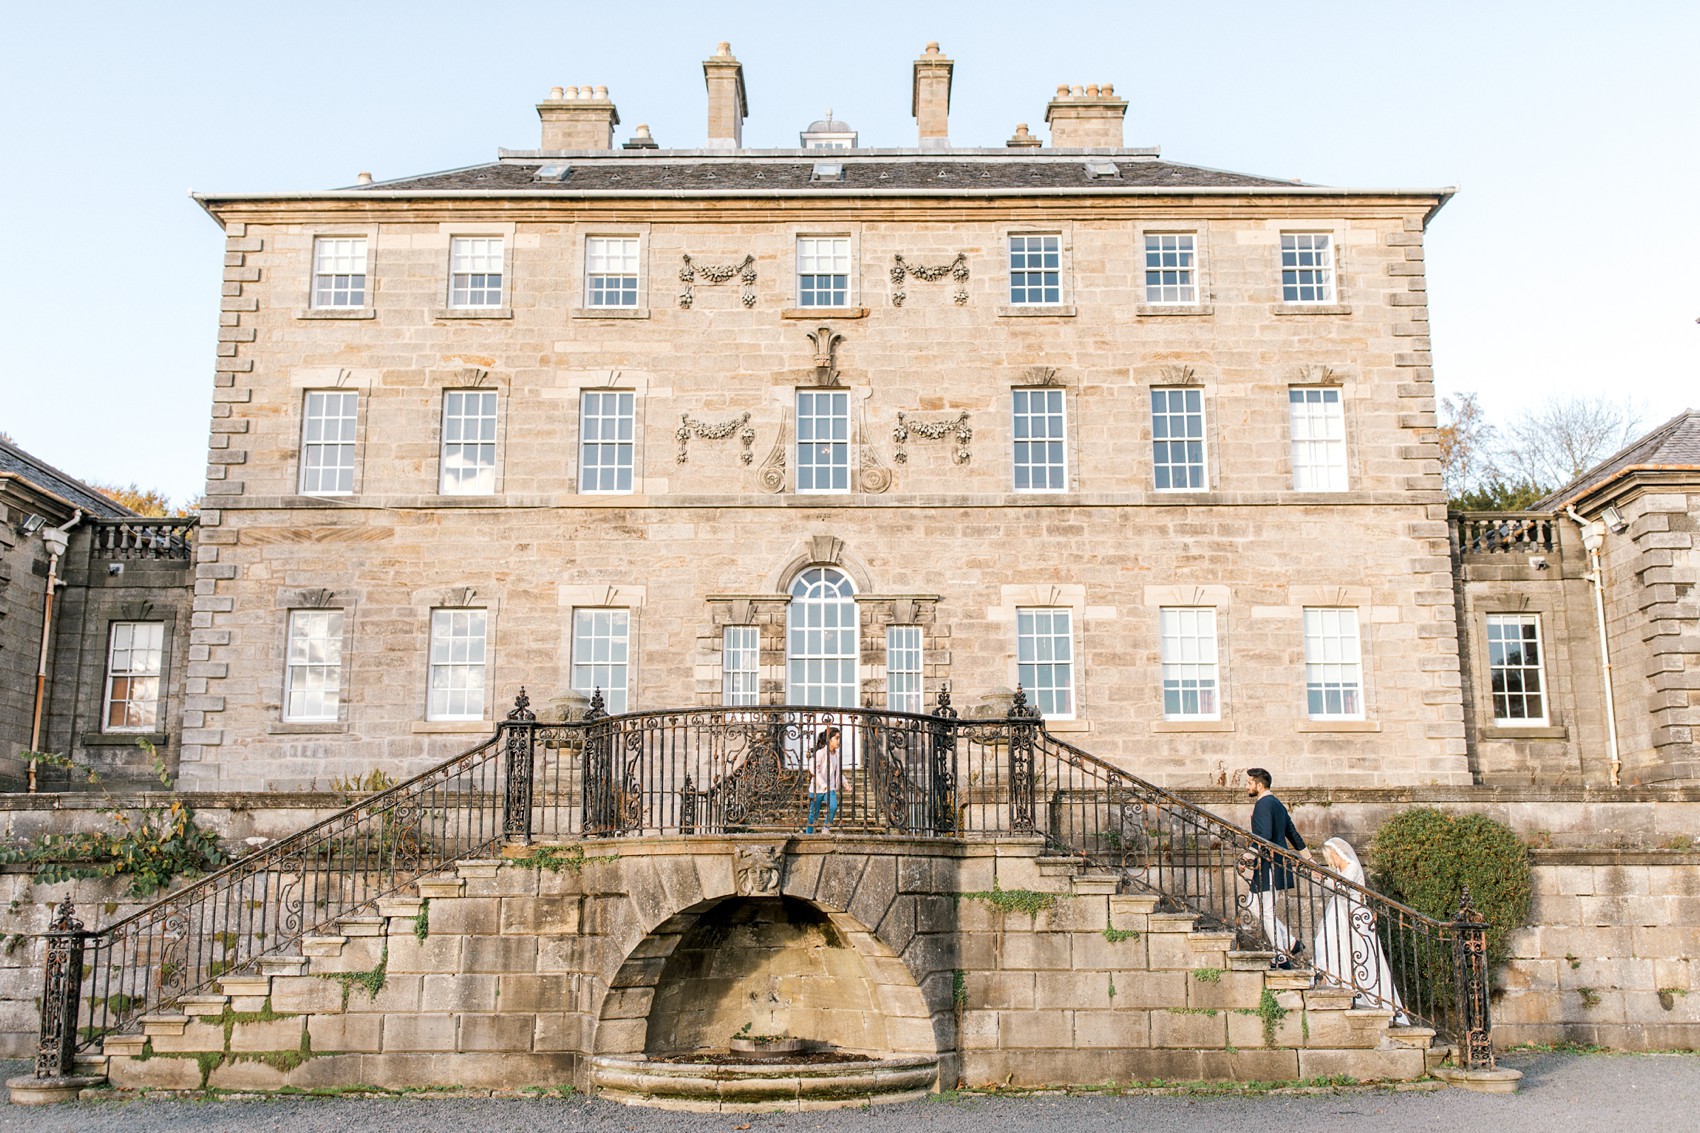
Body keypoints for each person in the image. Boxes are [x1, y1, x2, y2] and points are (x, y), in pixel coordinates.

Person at [1313, 837, 1409, 1023]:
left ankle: (1362, 991)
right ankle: (1336, 981)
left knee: (1354, 950)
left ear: (1335, 853)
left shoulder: (1352, 867)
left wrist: (1323, 878)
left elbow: (1343, 888)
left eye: (1329, 856)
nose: (1328, 860)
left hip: (1352, 914)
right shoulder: (1339, 869)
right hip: (1338, 912)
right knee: (1328, 944)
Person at [1242, 767, 1310, 967]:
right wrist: (1308, 856)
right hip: (1274, 865)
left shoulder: (1264, 803)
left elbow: (1263, 835)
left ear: (1259, 785)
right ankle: (1290, 942)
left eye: (1249, 783)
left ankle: (1281, 956)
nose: (1247, 786)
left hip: (1270, 865)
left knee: (1266, 911)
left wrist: (1249, 854)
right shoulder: (1278, 804)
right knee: (1254, 905)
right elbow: (1292, 833)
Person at [804, 726, 842, 834]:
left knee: (833, 807)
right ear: (829, 740)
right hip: (817, 788)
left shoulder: (837, 755)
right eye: (837, 738)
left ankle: (826, 828)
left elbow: (838, 771)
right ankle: (808, 834)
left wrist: (845, 783)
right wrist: (822, 783)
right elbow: (813, 769)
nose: (839, 741)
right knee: (813, 815)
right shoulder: (820, 753)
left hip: (830, 788)